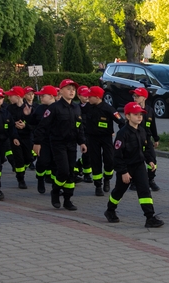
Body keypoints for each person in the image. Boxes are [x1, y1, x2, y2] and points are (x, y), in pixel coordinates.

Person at [104, 102, 163, 228]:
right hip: (126, 167)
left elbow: (145, 149)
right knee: (119, 191)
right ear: (128, 116)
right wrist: (123, 172)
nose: (139, 117)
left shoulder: (142, 131)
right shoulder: (122, 134)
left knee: (144, 190)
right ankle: (110, 210)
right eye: (136, 114)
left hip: (139, 166)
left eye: (141, 114)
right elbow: (117, 155)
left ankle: (150, 217)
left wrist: (150, 160)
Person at [39, 79, 87, 210]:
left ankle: (67, 200)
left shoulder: (76, 107)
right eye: (68, 89)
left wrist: (82, 142)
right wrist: (37, 143)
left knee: (71, 172)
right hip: (58, 144)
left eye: (73, 89)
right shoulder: (54, 108)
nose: (72, 91)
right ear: (60, 91)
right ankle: (55, 191)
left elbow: (79, 126)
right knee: (63, 171)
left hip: (72, 144)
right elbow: (43, 126)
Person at [83, 86, 119, 196]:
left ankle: (107, 178)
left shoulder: (108, 109)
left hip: (106, 138)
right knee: (95, 161)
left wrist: (123, 137)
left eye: (90, 96)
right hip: (92, 139)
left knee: (109, 160)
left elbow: (121, 122)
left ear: (97, 97)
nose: (88, 98)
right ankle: (98, 185)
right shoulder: (87, 107)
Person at [29, 85, 57, 194]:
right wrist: (27, 116)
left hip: (56, 141)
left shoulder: (58, 107)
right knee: (43, 162)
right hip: (43, 141)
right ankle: (40, 178)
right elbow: (33, 123)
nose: (40, 98)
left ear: (51, 96)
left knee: (55, 164)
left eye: (42, 96)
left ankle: (55, 186)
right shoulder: (39, 109)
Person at [5, 86, 34, 180]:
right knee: (19, 159)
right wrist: (13, 124)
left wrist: (25, 125)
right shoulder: (9, 108)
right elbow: (6, 123)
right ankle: (20, 178)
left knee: (29, 158)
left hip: (27, 137)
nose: (9, 98)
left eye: (11, 96)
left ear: (17, 96)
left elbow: (34, 124)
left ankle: (22, 170)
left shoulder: (29, 108)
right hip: (15, 137)